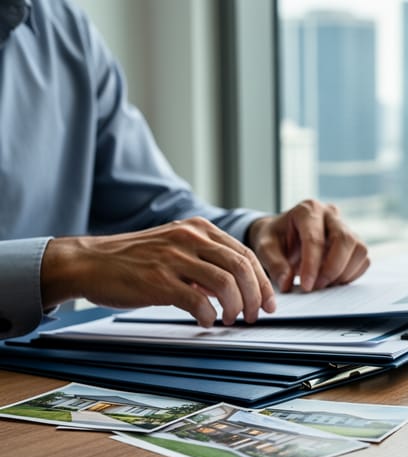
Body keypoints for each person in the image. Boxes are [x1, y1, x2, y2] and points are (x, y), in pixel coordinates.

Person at [0, 0, 369, 340]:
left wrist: (259, 235)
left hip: (34, 377)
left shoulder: (61, 25)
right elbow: (106, 255)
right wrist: (63, 265)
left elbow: (152, 211)